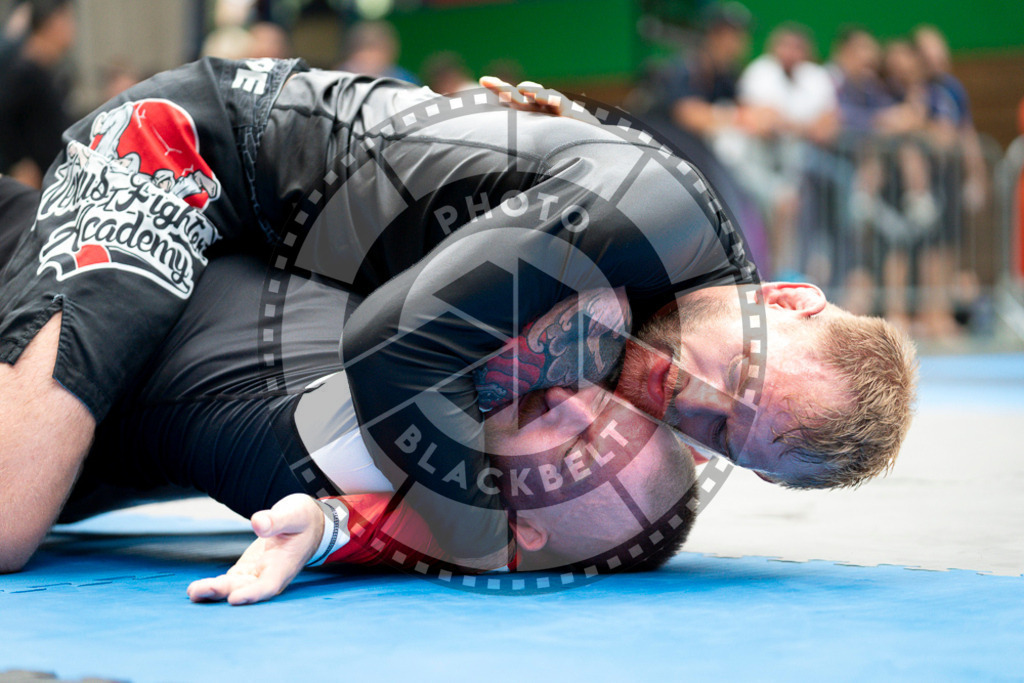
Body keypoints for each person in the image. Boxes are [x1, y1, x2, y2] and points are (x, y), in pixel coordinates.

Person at [0, 60, 913, 574]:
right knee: (11, 518)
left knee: (103, 449)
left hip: (264, 270)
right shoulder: (649, 216)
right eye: (743, 375)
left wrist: (334, 526)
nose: (696, 392)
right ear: (788, 298)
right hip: (191, 150)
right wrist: (494, 514)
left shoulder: (653, 329)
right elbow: (384, 357)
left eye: (721, 428)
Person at [0, 0, 76, 188]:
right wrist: (19, 163)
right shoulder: (23, 72)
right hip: (33, 188)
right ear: (54, 22)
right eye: (69, 19)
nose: (73, 28)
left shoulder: (48, 72)